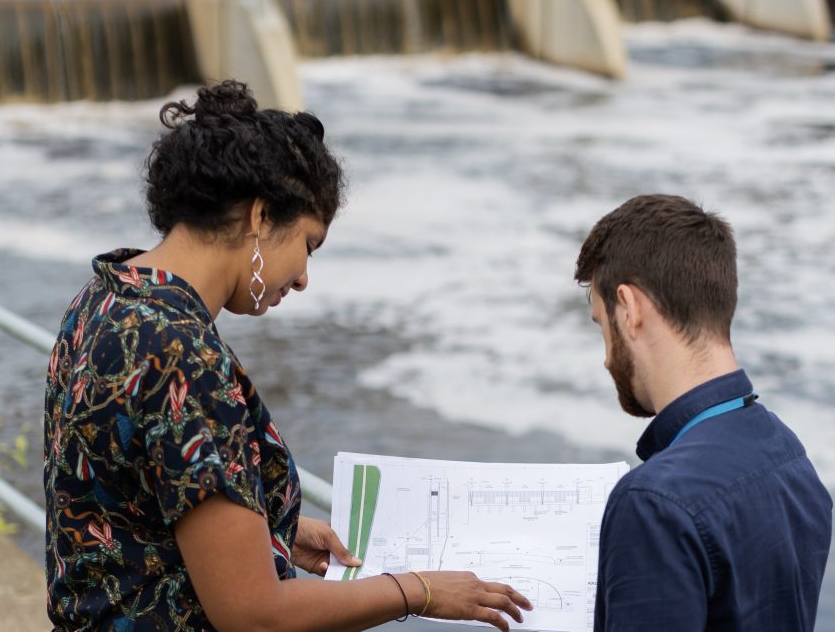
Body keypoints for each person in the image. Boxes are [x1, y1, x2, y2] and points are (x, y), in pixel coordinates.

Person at [43, 80, 532, 631]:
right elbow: (255, 617)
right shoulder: (183, 356)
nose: (302, 278)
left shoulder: (104, 298)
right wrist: (415, 591)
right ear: (260, 216)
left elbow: (123, 501)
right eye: (308, 245)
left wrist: (268, 530)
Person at [575, 194, 832, 631]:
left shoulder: (652, 503)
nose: (605, 359)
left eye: (603, 325)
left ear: (630, 309)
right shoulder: (788, 453)